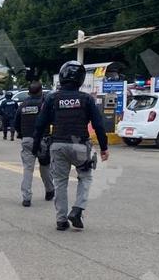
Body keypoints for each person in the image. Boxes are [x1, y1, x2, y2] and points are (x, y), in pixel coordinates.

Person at [32, 61, 109, 231]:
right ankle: (78, 209)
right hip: (80, 145)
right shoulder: (87, 99)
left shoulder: (52, 98)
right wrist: (104, 148)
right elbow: (99, 125)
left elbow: (40, 124)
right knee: (86, 177)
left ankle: (61, 220)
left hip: (57, 145)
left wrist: (35, 147)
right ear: (81, 79)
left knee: (60, 182)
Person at [15, 82, 53, 207]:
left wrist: (21, 133)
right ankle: (49, 191)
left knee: (28, 169)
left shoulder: (23, 105)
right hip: (42, 139)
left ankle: (26, 198)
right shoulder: (44, 104)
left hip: (27, 139)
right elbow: (53, 119)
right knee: (45, 166)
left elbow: (16, 122)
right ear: (41, 90)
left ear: (29, 92)